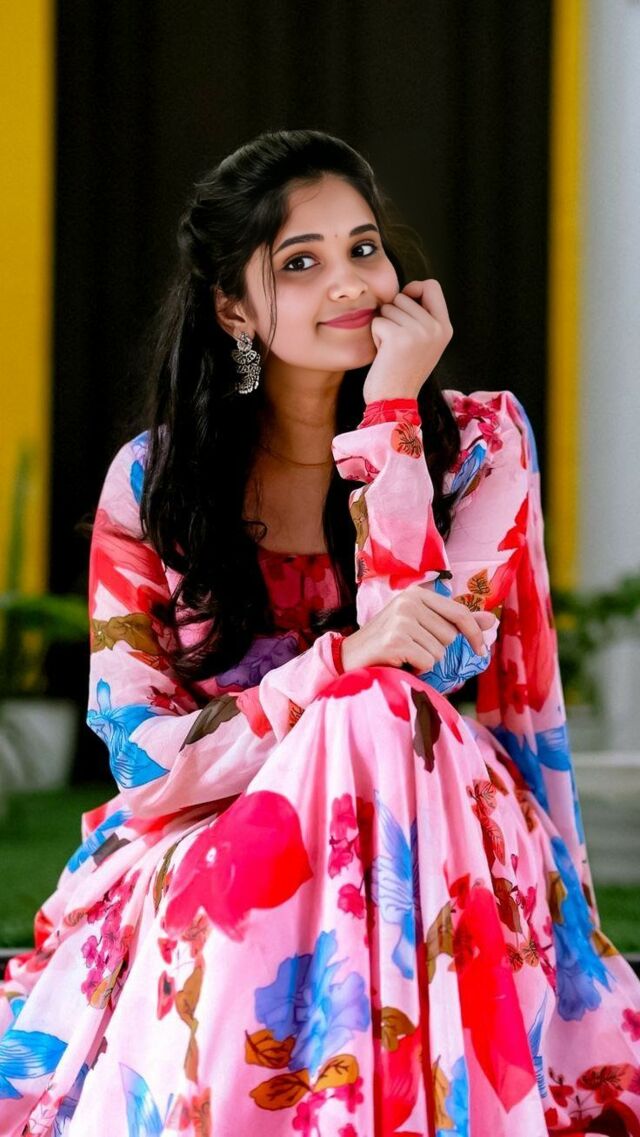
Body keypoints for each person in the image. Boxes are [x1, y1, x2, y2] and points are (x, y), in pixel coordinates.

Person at [1, 128, 638, 1137]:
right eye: (300, 263)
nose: (348, 282)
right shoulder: (156, 481)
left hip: (438, 827)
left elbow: (439, 657)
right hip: (222, 837)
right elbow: (143, 757)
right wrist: (336, 666)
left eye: (363, 248)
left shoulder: (480, 442)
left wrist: (390, 412)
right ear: (233, 308)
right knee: (363, 697)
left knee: (384, 707)